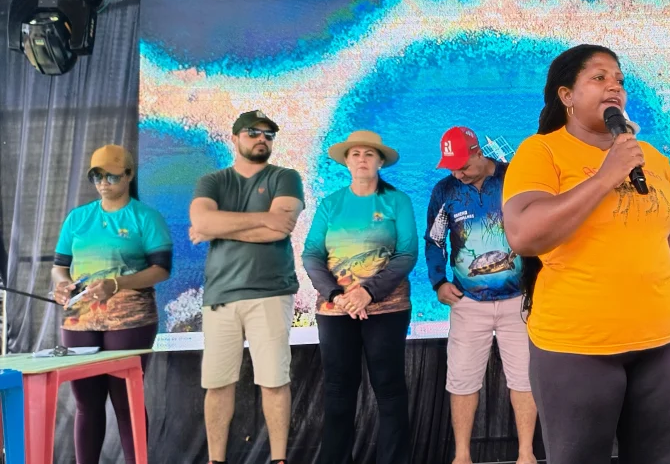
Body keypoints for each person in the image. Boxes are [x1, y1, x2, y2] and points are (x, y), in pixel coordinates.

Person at [501, 44, 670, 464]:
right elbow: (523, 234)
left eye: (619, 80)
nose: (614, 86)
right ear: (566, 95)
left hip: (662, 342)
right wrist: (606, 175)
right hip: (576, 348)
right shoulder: (541, 152)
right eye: (599, 77)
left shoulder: (647, 156)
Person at [189, 110, 305, 464]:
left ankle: (279, 459)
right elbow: (201, 220)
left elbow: (280, 228)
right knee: (217, 384)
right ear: (235, 137)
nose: (261, 139)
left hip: (271, 293)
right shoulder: (212, 181)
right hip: (220, 296)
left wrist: (218, 227)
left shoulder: (285, 177)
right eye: (253, 132)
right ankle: (216, 460)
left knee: (274, 381)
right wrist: (264, 218)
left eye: (268, 134)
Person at [302, 130, 419, 464]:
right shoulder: (331, 204)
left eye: (369, 154)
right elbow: (311, 255)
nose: (362, 159)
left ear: (380, 161)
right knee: (338, 391)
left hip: (388, 310)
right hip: (335, 311)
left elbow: (407, 254)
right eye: (355, 154)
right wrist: (337, 296)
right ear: (347, 162)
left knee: (389, 389)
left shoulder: (397, 201)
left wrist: (368, 292)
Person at [51, 144, 172, 464]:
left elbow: (161, 269)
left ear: (129, 175)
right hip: (79, 318)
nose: (103, 182)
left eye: (112, 175)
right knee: (86, 402)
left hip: (130, 317)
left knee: (126, 400)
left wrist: (117, 284)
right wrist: (62, 285)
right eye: (97, 176)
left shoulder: (146, 217)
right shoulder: (78, 218)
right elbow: (59, 266)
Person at [426, 126, 535, 464]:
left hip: (518, 300)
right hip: (468, 302)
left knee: (525, 378)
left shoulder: (515, 177)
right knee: (461, 379)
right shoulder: (445, 191)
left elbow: (539, 226)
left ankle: (526, 455)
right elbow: (434, 241)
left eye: (463, 165)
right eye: (451, 167)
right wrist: (438, 282)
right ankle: (461, 456)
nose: (457, 173)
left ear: (478, 152)